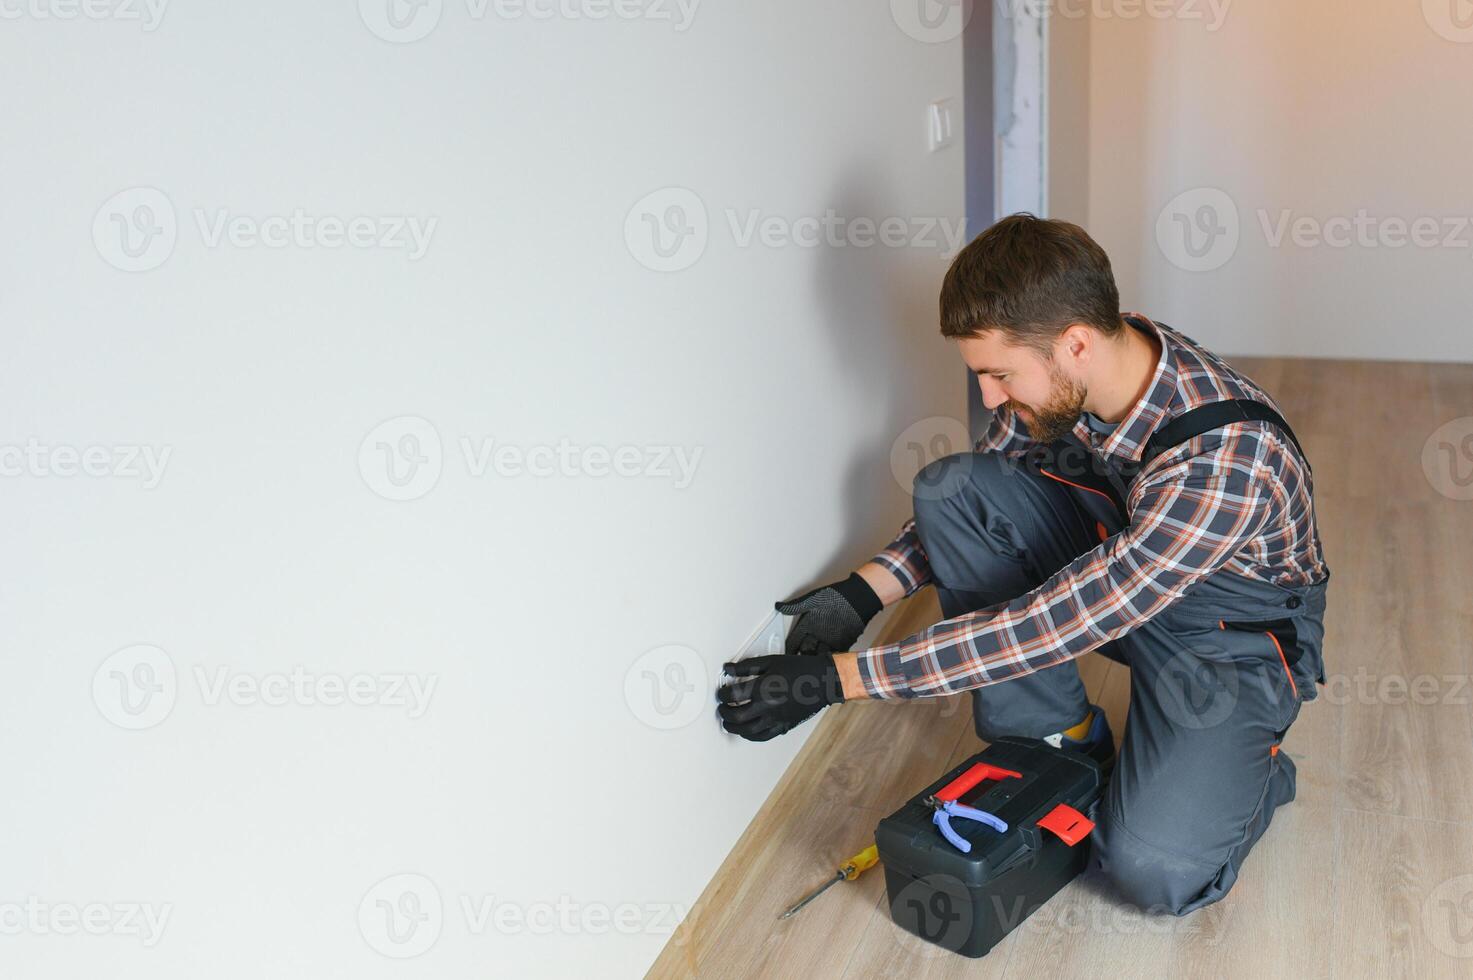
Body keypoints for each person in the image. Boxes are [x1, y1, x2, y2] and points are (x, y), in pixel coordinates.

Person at [716, 213, 1330, 915]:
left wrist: (839, 680)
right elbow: (984, 496)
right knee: (954, 484)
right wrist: (860, 594)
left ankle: (1253, 772)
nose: (987, 398)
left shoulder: (1227, 463)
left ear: (1073, 345)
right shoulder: (1090, 355)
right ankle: (1061, 738)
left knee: (1152, 869)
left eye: (999, 375)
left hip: (1223, 639)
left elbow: (1053, 622)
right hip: (1116, 575)